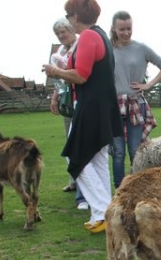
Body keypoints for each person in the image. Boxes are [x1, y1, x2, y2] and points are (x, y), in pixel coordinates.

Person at [42, 0, 123, 234]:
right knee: (96, 159)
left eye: (68, 15)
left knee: (75, 158)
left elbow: (81, 75)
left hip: (91, 107)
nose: (67, 20)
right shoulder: (101, 36)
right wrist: (62, 65)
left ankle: (102, 211)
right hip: (102, 107)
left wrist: (54, 71)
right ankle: (106, 212)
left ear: (76, 16)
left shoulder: (88, 37)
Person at [109, 11, 161, 188]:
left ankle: (137, 188)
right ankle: (120, 190)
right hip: (115, 106)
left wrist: (148, 84)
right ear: (114, 28)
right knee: (118, 151)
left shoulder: (141, 48)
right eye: (122, 29)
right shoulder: (108, 49)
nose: (126, 33)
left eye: (129, 28)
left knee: (135, 150)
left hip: (136, 104)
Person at [48, 17, 89, 211]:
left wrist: (58, 70)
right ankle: (74, 181)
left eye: (63, 32)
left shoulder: (81, 46)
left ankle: (85, 191)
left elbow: (77, 74)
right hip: (67, 102)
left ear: (71, 30)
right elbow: (61, 81)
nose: (61, 35)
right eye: (58, 33)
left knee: (82, 145)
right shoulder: (60, 52)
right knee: (69, 142)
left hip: (80, 100)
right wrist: (55, 97)